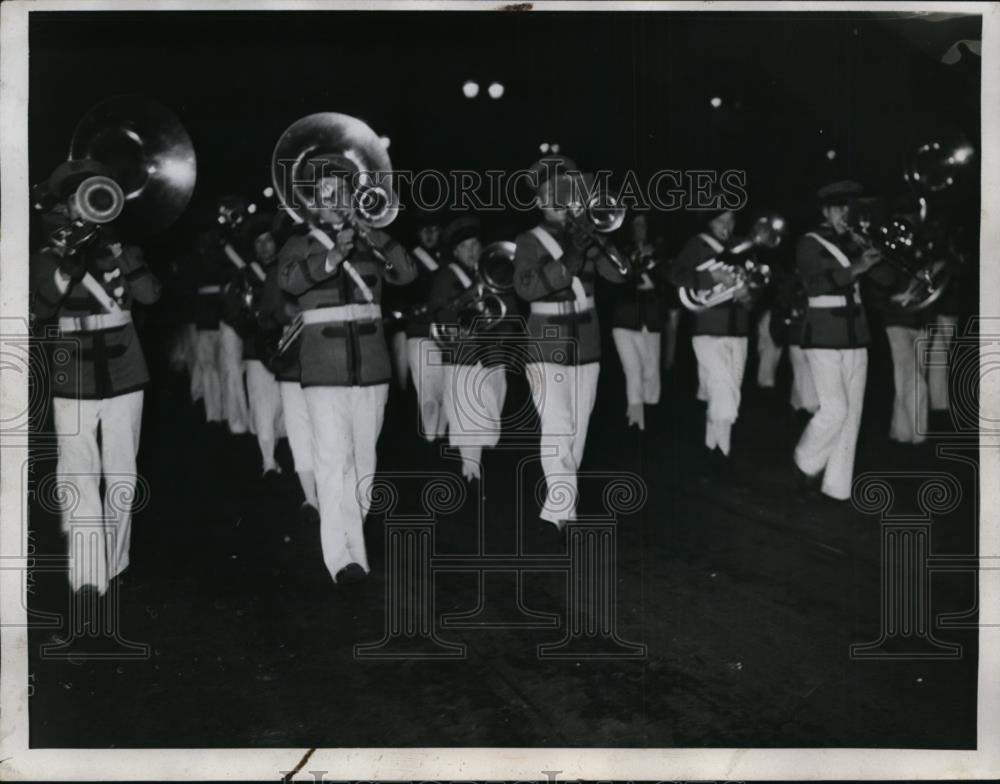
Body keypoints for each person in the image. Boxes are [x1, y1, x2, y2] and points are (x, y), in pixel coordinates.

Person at [278, 160, 416, 584]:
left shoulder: (370, 239)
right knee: (332, 459)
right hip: (324, 368)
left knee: (365, 461)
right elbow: (288, 282)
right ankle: (341, 558)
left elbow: (408, 273)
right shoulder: (299, 243)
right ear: (312, 201)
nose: (335, 198)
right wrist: (333, 254)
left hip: (371, 367)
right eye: (325, 192)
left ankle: (353, 544)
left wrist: (372, 235)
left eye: (341, 190)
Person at [30, 159, 161, 599]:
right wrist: (69, 259)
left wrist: (119, 249)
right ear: (66, 206)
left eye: (96, 196)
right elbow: (45, 306)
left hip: (125, 367)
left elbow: (149, 295)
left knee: (123, 472)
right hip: (75, 368)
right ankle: (89, 573)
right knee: (79, 471)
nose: (87, 206)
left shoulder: (122, 246)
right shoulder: (50, 252)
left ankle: (117, 560)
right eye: (77, 199)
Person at [513, 155, 626, 536]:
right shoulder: (529, 240)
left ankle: (559, 504)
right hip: (545, 343)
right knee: (558, 426)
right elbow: (526, 287)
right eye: (549, 194)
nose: (556, 200)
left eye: (563, 192)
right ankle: (564, 513)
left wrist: (595, 239)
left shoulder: (587, 231)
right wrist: (573, 254)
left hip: (587, 343)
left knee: (577, 429)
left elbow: (619, 273)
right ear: (539, 201)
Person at [792, 180, 883, 502]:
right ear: (825, 211)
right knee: (836, 409)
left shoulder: (856, 241)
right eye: (838, 208)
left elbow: (886, 280)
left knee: (852, 414)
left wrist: (877, 252)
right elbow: (813, 284)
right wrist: (856, 267)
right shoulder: (809, 242)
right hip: (824, 333)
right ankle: (805, 462)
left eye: (849, 208)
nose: (845, 214)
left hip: (857, 334)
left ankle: (836, 486)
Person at [669, 203, 755, 475]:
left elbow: (753, 291)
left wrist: (748, 296)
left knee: (726, 394)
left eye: (730, 220)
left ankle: (711, 450)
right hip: (707, 331)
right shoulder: (697, 245)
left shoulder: (742, 248)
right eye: (721, 220)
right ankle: (724, 456)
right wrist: (710, 276)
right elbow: (673, 274)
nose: (727, 226)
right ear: (709, 222)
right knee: (724, 390)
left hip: (739, 331)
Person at [430, 216, 514, 482]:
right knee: (467, 415)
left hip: (492, 355)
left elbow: (510, 312)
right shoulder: (445, 276)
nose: (471, 251)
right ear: (455, 252)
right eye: (465, 246)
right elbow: (441, 315)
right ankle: (471, 473)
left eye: (475, 244)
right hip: (462, 357)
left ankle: (475, 467)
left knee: (490, 412)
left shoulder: (495, 272)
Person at [225, 212, 286, 475]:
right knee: (262, 402)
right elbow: (232, 313)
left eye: (268, 241)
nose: (263, 247)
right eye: (258, 242)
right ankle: (268, 461)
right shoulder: (245, 276)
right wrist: (251, 323)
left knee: (288, 405)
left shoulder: (289, 268)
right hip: (257, 349)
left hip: (291, 348)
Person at [610, 213, 670, 430]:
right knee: (633, 369)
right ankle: (636, 421)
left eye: (644, 224)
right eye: (636, 224)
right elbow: (618, 283)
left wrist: (653, 260)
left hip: (651, 317)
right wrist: (635, 261)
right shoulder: (621, 252)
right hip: (625, 319)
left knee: (651, 371)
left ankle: (648, 415)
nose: (640, 229)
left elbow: (665, 283)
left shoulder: (661, 251)